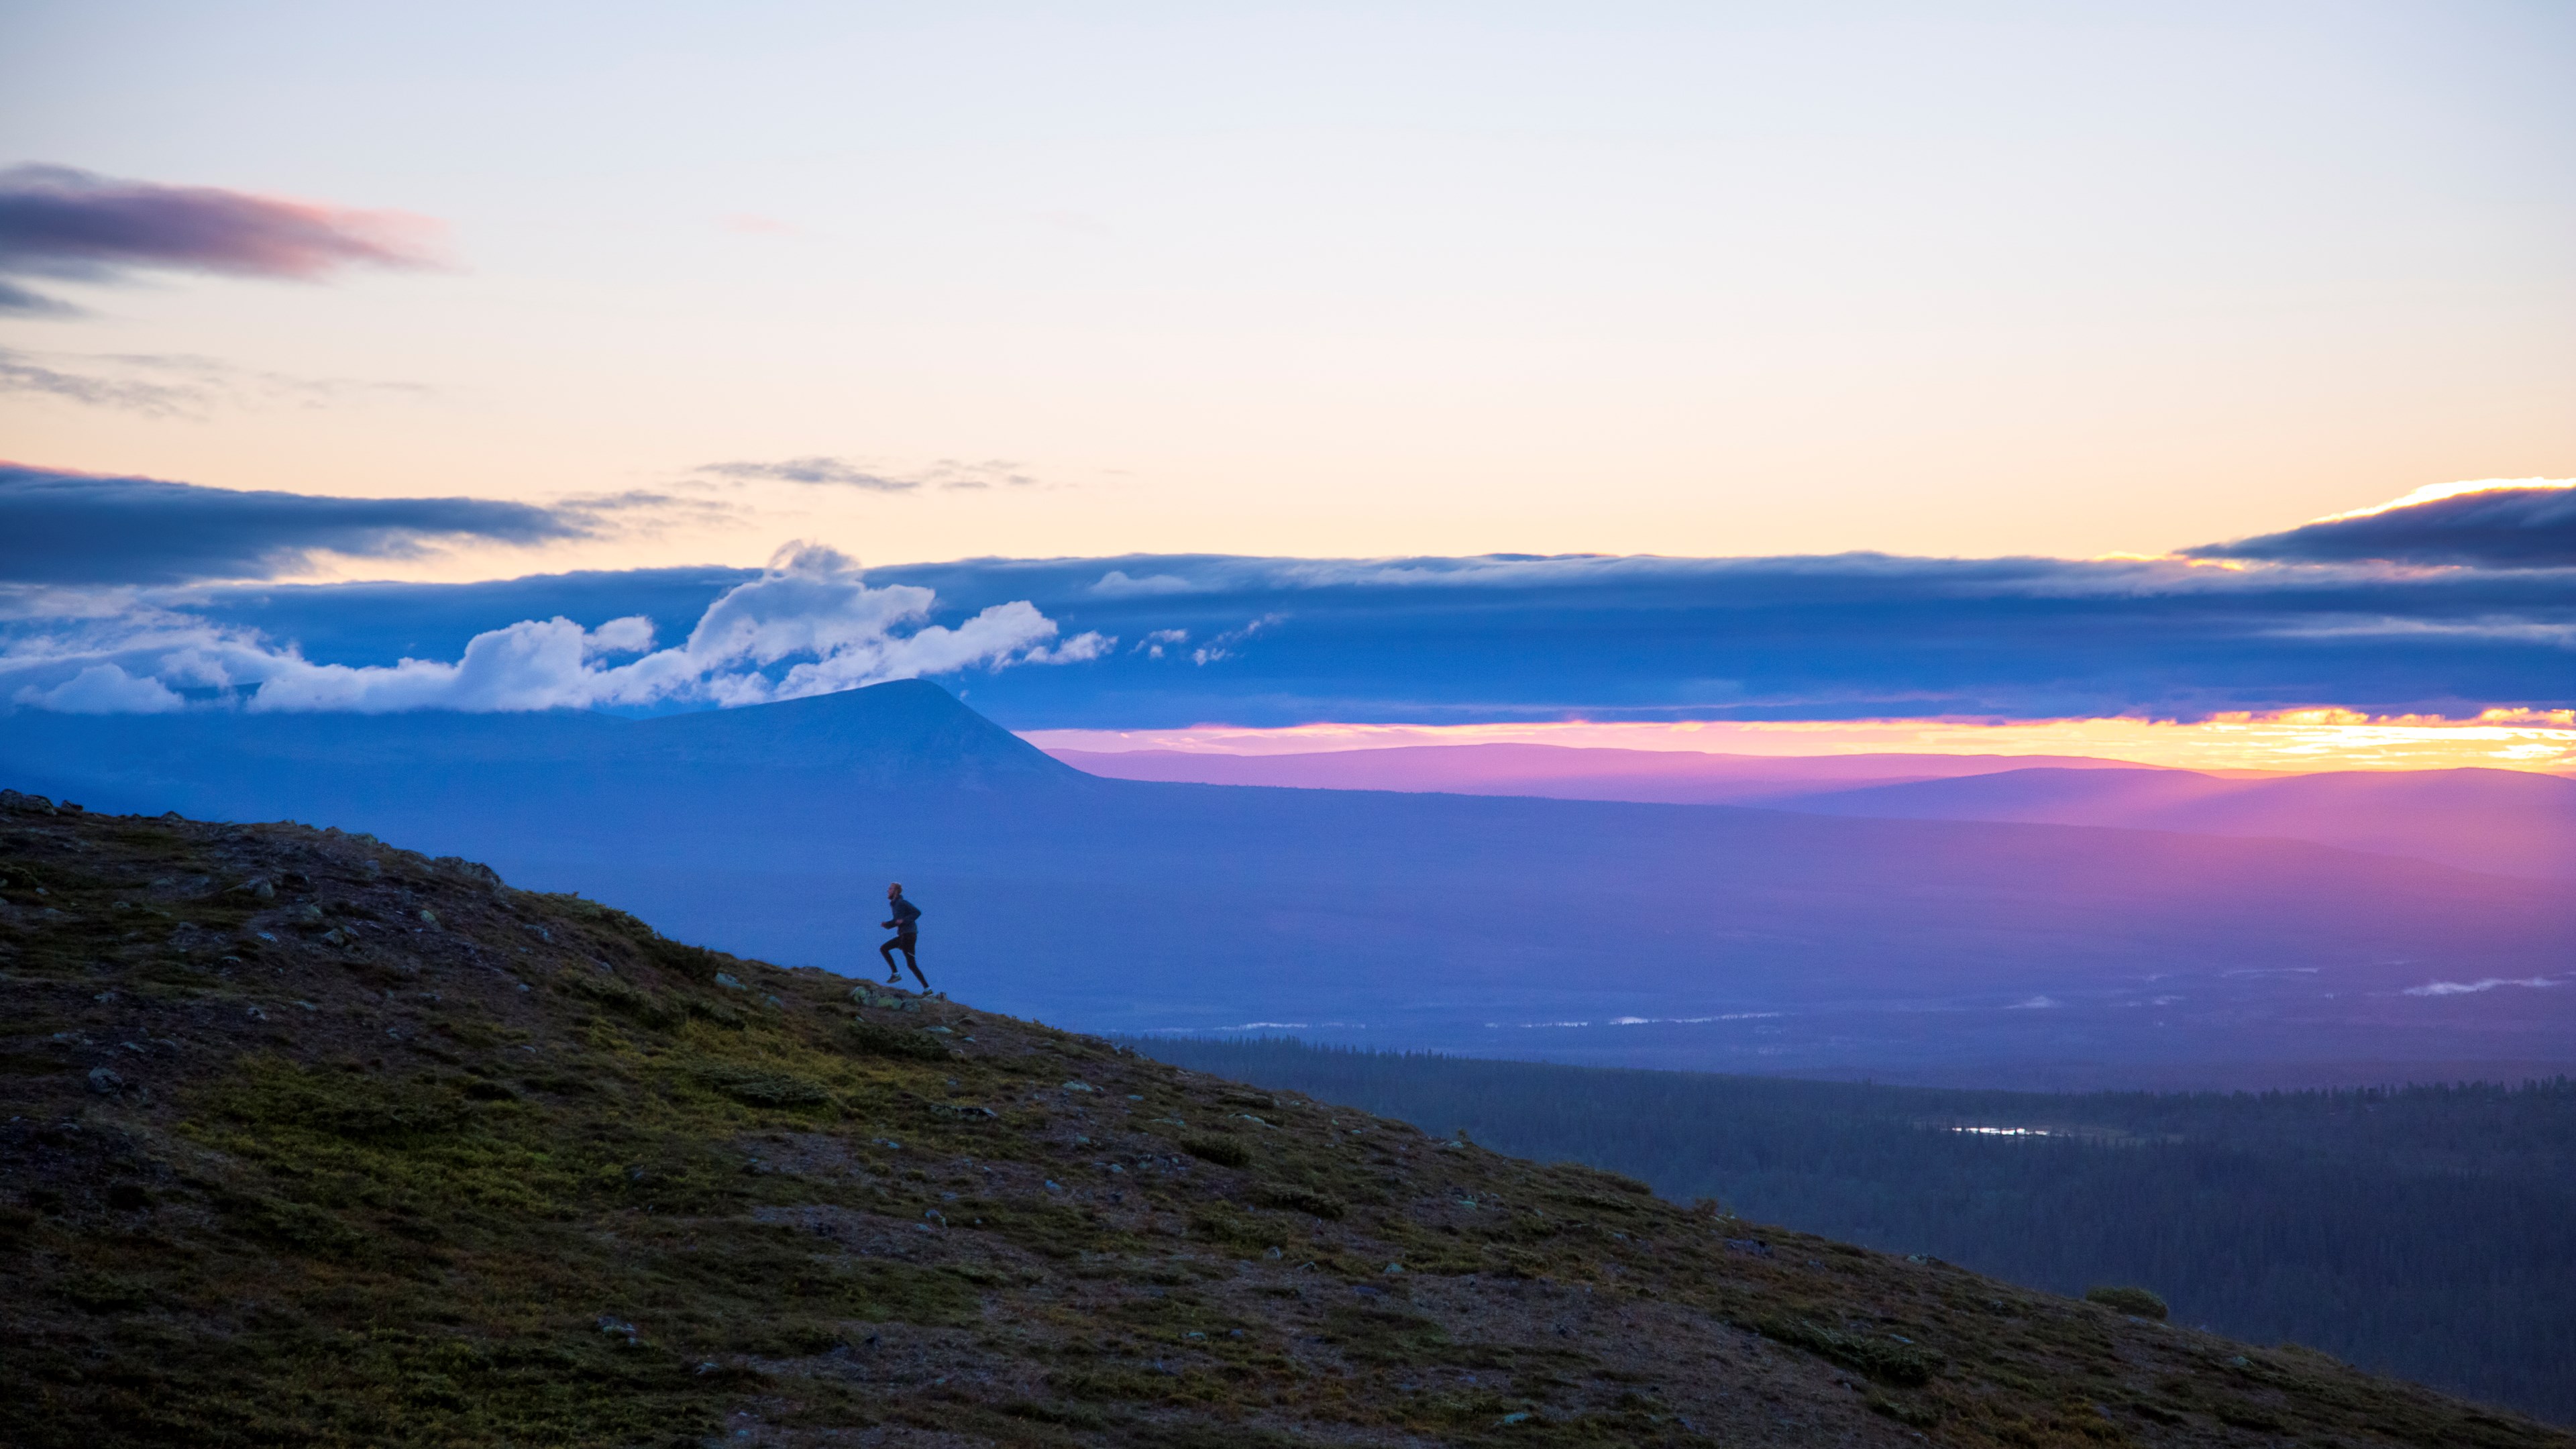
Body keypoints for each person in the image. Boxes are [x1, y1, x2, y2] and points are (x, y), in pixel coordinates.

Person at [879, 882, 926, 989]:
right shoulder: (895, 905)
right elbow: (897, 921)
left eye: (890, 889)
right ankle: (928, 989)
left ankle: (896, 974)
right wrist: (887, 925)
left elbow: (917, 912)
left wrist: (904, 920)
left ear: (895, 891)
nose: (888, 891)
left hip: (908, 935)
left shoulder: (901, 903)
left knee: (884, 948)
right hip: (906, 935)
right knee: (911, 965)